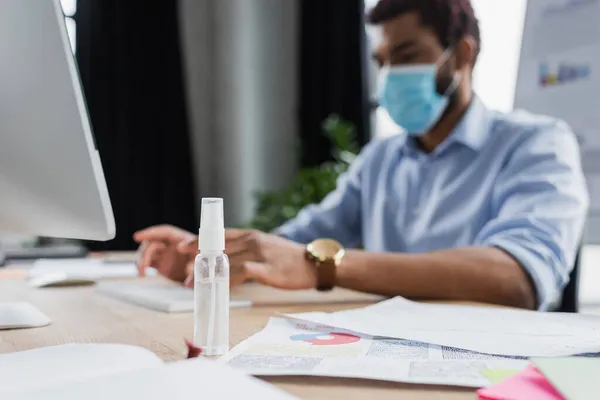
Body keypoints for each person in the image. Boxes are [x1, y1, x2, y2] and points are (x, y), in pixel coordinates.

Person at [135, 0, 588, 311]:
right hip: (387, 356)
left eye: (407, 55)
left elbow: (518, 276)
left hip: (494, 367)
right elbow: (295, 242)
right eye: (383, 61)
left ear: (462, 55)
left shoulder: (536, 142)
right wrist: (212, 256)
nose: (391, 75)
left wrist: (324, 265)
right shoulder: (381, 159)